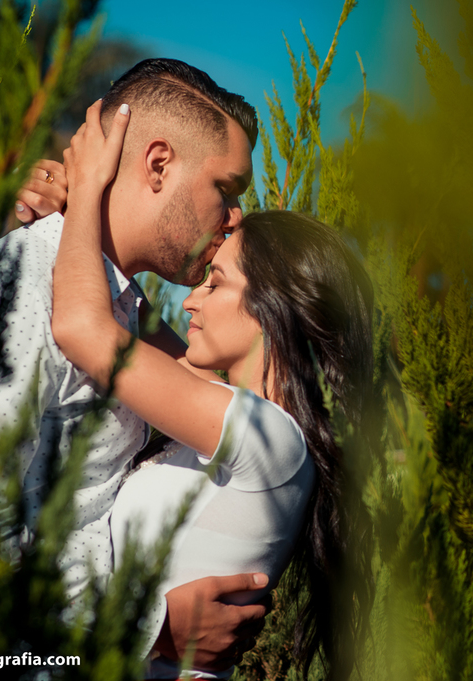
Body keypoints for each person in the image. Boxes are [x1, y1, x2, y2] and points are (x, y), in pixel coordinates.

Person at [0, 59, 265, 668]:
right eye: (226, 190)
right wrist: (146, 629)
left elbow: (224, 392)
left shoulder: (122, 309)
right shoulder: (25, 285)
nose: (235, 220)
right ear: (157, 164)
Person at [49, 100, 374, 678]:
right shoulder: (236, 419)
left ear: (271, 307)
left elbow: (84, 328)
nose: (192, 298)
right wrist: (66, 208)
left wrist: (87, 192)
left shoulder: (269, 438)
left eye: (216, 282)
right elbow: (131, 310)